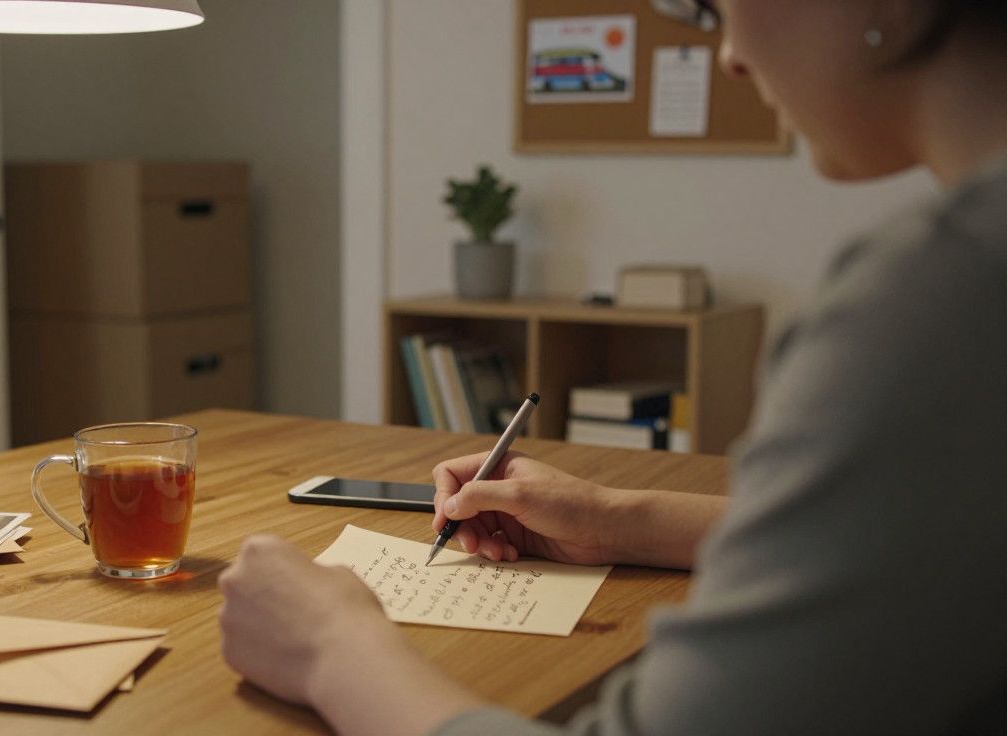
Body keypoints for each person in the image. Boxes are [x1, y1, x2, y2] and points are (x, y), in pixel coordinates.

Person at [218, 1, 1007, 733]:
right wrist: (613, 519)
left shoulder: (943, 296)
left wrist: (330, 645)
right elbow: (899, 538)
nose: (729, 53)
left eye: (714, 4)